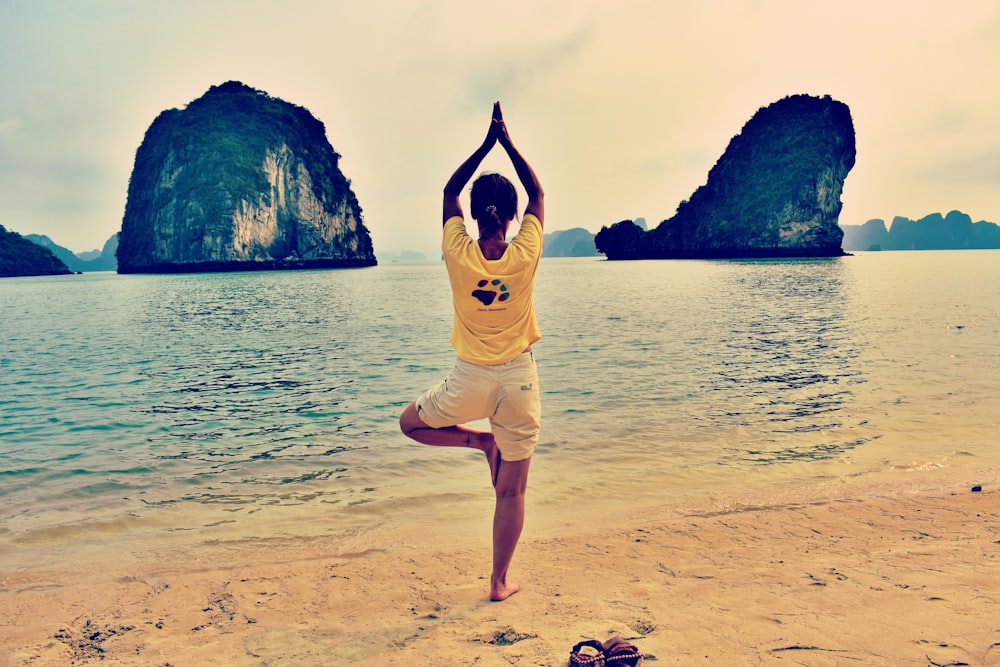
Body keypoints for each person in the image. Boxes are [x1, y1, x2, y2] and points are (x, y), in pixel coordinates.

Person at [399, 101, 544, 602]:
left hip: (468, 381)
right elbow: (538, 194)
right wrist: (507, 142)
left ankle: (479, 443)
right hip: (519, 382)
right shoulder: (526, 252)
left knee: (410, 423)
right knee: (513, 491)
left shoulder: (457, 251)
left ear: (477, 213)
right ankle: (499, 582)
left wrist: (485, 144)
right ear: (510, 216)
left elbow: (448, 192)